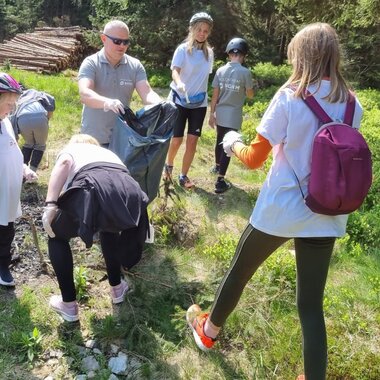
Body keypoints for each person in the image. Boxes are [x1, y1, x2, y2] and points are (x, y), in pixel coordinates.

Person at [186, 23, 363, 380]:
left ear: (302, 55)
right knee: (310, 306)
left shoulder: (290, 96)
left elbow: (253, 158)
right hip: (326, 211)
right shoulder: (352, 102)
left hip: (281, 208)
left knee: (239, 272)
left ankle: (208, 333)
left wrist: (231, 141)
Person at [42, 134, 149, 322]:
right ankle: (117, 288)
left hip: (94, 185)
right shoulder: (106, 153)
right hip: (132, 192)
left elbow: (65, 163)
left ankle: (68, 305)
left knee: (56, 235)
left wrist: (51, 204)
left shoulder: (73, 149)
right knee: (110, 230)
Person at [78, 20, 161, 147]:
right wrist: (107, 102)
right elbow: (84, 94)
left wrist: (160, 104)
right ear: (104, 38)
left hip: (122, 139)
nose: (122, 46)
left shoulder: (135, 66)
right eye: (117, 41)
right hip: (93, 139)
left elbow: (147, 93)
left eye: (126, 42)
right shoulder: (91, 63)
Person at [163, 12, 214, 188]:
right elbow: (175, 70)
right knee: (177, 139)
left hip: (199, 103)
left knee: (192, 139)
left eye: (206, 31)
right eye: (199, 29)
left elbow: (204, 76)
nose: (202, 33)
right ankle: (168, 166)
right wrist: (180, 83)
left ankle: (183, 175)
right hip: (179, 99)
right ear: (192, 29)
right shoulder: (182, 50)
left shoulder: (209, 54)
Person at [0, 73, 38, 287]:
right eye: (8, 103)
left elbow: (11, 149)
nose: (12, 108)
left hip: (10, 191)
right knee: (2, 230)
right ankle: (2, 266)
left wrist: (23, 169)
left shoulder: (5, 122)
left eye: (14, 103)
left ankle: (3, 262)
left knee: (7, 228)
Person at [209, 37, 254, 193]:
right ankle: (220, 181)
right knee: (229, 145)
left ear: (229, 54)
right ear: (244, 55)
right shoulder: (245, 72)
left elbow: (215, 95)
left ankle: (217, 166)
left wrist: (211, 114)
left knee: (220, 140)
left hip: (220, 112)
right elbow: (249, 95)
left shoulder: (220, 70)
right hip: (234, 115)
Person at [11, 87, 55, 172]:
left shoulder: (18, 97)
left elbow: (12, 115)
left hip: (22, 118)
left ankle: (22, 171)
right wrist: (46, 121)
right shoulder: (39, 93)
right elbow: (51, 103)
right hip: (40, 116)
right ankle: (32, 172)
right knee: (40, 145)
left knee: (28, 144)